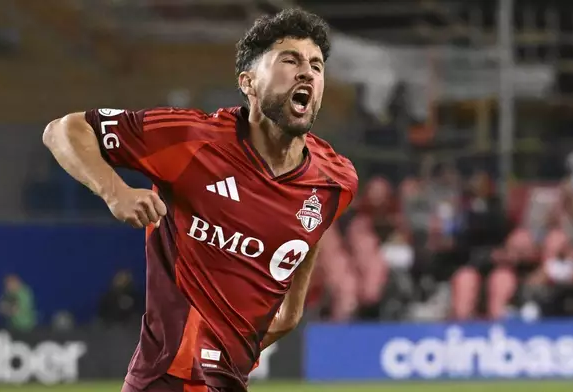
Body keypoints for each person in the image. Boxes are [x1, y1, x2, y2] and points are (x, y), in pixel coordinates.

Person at [43, 9, 357, 392]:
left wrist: (289, 312)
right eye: (289, 60)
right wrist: (115, 192)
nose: (307, 72)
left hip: (227, 382)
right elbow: (64, 130)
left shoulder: (336, 179)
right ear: (249, 83)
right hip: (163, 380)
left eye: (316, 65)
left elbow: (306, 243)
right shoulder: (192, 139)